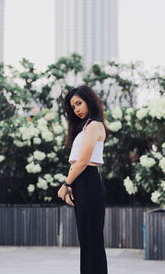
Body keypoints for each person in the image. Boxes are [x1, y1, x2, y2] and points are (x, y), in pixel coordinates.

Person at [58, 85, 109, 274]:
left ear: (89, 101)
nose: (76, 109)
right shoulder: (85, 127)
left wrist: (66, 184)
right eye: (73, 107)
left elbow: (83, 161)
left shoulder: (95, 125)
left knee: (92, 241)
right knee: (87, 241)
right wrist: (72, 185)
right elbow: (77, 163)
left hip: (88, 180)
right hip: (82, 182)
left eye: (79, 103)